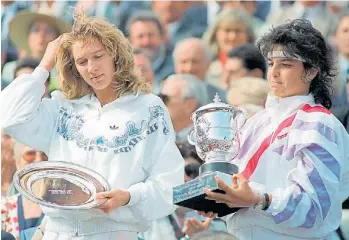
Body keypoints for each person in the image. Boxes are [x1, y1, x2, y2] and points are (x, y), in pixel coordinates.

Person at [0, 12, 184, 240]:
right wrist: (44, 65)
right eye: (82, 61)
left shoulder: (149, 108)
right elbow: (9, 118)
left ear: (115, 54)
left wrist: (128, 197)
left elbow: (169, 182)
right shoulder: (62, 106)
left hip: (114, 232)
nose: (92, 68)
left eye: (98, 56)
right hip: (57, 233)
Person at [197, 19, 349, 240]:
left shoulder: (320, 124)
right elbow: (240, 188)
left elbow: (315, 208)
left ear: (311, 72)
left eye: (286, 64)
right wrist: (220, 200)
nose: (274, 73)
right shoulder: (257, 122)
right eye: (271, 63)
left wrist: (260, 199)